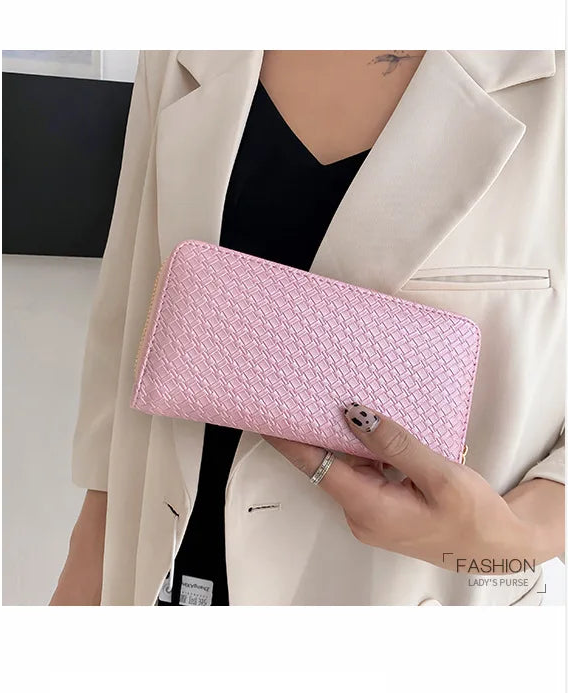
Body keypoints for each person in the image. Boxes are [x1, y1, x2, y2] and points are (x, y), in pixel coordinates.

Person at [50, 50, 565, 606]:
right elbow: (129, 316)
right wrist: (84, 575)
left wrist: (519, 537)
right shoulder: (183, 49)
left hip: (407, 594)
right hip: (163, 575)